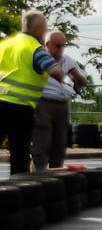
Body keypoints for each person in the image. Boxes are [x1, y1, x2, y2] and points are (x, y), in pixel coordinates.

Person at [0, 10, 64, 174]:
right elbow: (55, 71)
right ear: (38, 30)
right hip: (20, 108)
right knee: (19, 154)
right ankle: (18, 192)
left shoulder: (5, 44)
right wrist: (61, 75)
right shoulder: (36, 48)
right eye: (45, 29)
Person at [31, 30, 87, 171]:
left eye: (63, 46)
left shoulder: (68, 60)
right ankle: (38, 174)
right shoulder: (40, 57)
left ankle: (56, 174)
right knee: (42, 142)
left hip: (62, 104)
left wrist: (76, 75)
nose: (61, 49)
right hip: (43, 102)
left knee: (59, 143)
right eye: (57, 46)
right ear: (48, 45)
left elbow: (83, 81)